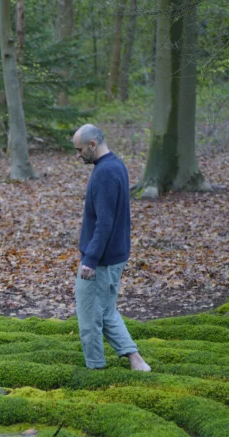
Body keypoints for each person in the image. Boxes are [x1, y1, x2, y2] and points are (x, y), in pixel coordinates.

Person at [72, 124, 151, 372]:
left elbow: (104, 223)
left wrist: (90, 259)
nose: (78, 155)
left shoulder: (105, 173)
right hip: (114, 255)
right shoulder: (116, 165)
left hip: (102, 260)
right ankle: (136, 360)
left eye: (80, 150)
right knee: (106, 312)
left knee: (89, 318)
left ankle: (96, 369)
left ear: (93, 144)